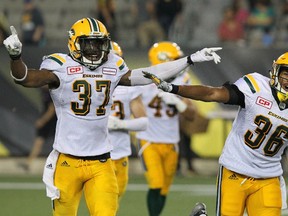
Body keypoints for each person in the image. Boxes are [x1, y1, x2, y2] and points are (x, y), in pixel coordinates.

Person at [3, 17, 221, 216]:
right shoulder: (60, 65)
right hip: (67, 162)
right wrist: (16, 57)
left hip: (101, 161)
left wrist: (190, 59)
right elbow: (24, 77)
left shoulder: (113, 66)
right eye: (88, 43)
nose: (94, 49)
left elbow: (149, 74)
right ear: (74, 43)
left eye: (99, 43)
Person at [144, 52, 288, 216]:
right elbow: (213, 93)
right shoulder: (256, 86)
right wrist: (174, 88)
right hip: (236, 169)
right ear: (276, 72)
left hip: (269, 177)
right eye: (286, 74)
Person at [136, 41, 197, 216]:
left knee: (164, 189)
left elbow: (192, 115)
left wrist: (179, 103)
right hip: (148, 139)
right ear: (162, 60)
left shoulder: (183, 80)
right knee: (155, 184)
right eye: (175, 60)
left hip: (171, 141)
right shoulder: (142, 79)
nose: (180, 64)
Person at [108, 41, 148, 205]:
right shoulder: (90, 83)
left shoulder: (129, 87)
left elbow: (143, 122)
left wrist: (119, 125)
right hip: (96, 154)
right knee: (103, 203)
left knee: (114, 203)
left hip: (120, 153)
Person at [19, 85, 57, 172]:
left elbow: (52, 109)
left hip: (52, 121)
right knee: (39, 141)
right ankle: (29, 162)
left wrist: (42, 120)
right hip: (49, 121)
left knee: (55, 143)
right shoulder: (44, 92)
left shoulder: (52, 93)